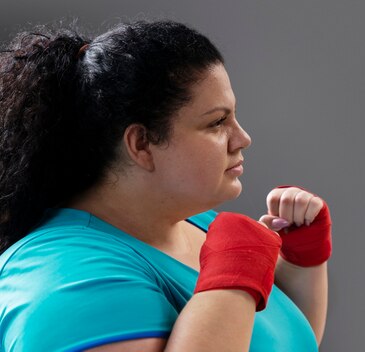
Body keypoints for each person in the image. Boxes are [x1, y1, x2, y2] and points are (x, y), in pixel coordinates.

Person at [0, 19, 332, 351]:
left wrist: (302, 261)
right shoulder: (67, 280)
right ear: (141, 144)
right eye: (217, 122)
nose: (242, 138)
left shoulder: (196, 223)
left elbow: (277, 342)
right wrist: (235, 273)